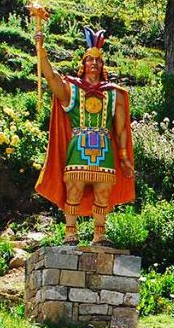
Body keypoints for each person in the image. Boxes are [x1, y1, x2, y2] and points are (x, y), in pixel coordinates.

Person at [33, 23, 136, 245]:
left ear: (103, 65)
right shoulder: (72, 89)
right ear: (83, 64)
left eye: (98, 61)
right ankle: (71, 233)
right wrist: (41, 50)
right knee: (74, 189)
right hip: (79, 146)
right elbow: (51, 78)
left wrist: (125, 157)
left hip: (105, 148)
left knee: (103, 192)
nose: (94, 64)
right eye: (90, 60)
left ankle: (99, 235)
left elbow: (120, 129)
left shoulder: (114, 94)